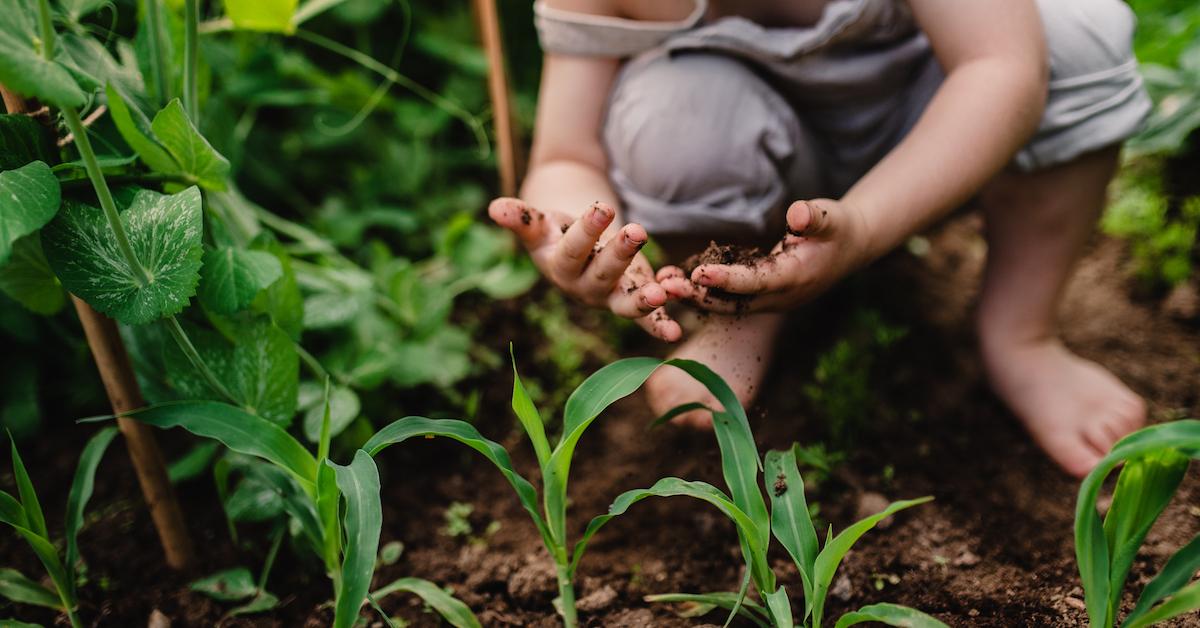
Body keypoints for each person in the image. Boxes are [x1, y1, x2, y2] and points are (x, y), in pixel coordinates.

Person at [488, 0, 1151, 478]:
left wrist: (862, 228)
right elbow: (565, 155)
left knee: (1070, 32)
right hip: (750, 155)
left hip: (935, 140)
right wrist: (574, 228)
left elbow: (1000, 67)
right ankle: (742, 300)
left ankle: (1020, 333)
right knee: (674, 111)